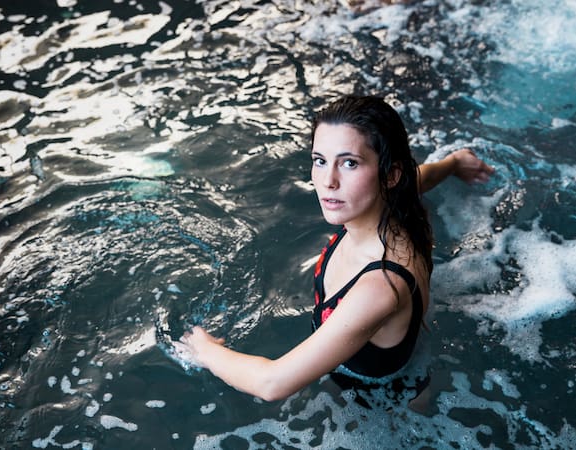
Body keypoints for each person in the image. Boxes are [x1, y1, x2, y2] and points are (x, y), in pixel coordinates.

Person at [176, 95, 494, 401]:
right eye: (320, 160)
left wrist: (204, 351)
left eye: (350, 164)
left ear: (389, 174)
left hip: (381, 403)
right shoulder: (390, 204)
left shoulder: (380, 286)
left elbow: (271, 384)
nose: (328, 180)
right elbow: (419, 176)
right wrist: (453, 163)